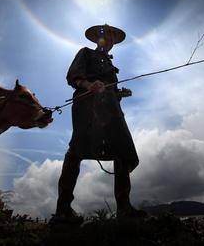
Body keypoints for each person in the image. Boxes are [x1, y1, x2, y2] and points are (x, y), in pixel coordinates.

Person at [51, 24, 146, 224]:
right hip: (86, 103)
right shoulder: (85, 53)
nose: (109, 41)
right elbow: (73, 75)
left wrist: (119, 94)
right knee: (76, 149)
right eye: (105, 37)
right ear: (97, 40)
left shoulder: (111, 66)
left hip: (110, 108)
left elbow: (109, 91)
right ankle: (63, 210)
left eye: (112, 39)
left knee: (122, 148)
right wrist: (88, 85)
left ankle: (124, 208)